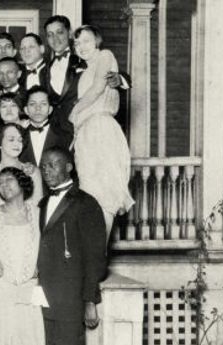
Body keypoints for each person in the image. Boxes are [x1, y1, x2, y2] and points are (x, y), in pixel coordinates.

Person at [69, 25, 134, 235]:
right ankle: (94, 254)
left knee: (104, 190)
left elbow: (98, 88)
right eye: (77, 43)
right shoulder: (84, 68)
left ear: (97, 41)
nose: (81, 46)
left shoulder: (105, 55)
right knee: (90, 190)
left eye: (86, 41)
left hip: (101, 129)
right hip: (86, 132)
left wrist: (75, 111)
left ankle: (99, 255)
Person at [38, 148, 107, 345]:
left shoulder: (86, 203)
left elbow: (95, 258)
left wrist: (90, 301)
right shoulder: (42, 204)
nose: (47, 170)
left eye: (53, 164)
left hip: (71, 301)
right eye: (43, 166)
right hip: (44, 299)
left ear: (69, 167)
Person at [0, 167, 46, 345]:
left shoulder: (38, 214)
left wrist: (41, 267)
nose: (3, 185)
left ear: (22, 182)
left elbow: (48, 247)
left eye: (8, 179)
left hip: (28, 286)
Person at [0, 123, 42, 207]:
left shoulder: (33, 172)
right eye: (11, 139)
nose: (16, 144)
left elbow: (38, 208)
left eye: (20, 140)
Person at [19, 86, 72, 168]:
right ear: (26, 110)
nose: (38, 108)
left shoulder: (65, 136)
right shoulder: (18, 136)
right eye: (33, 104)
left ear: (50, 110)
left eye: (43, 104)